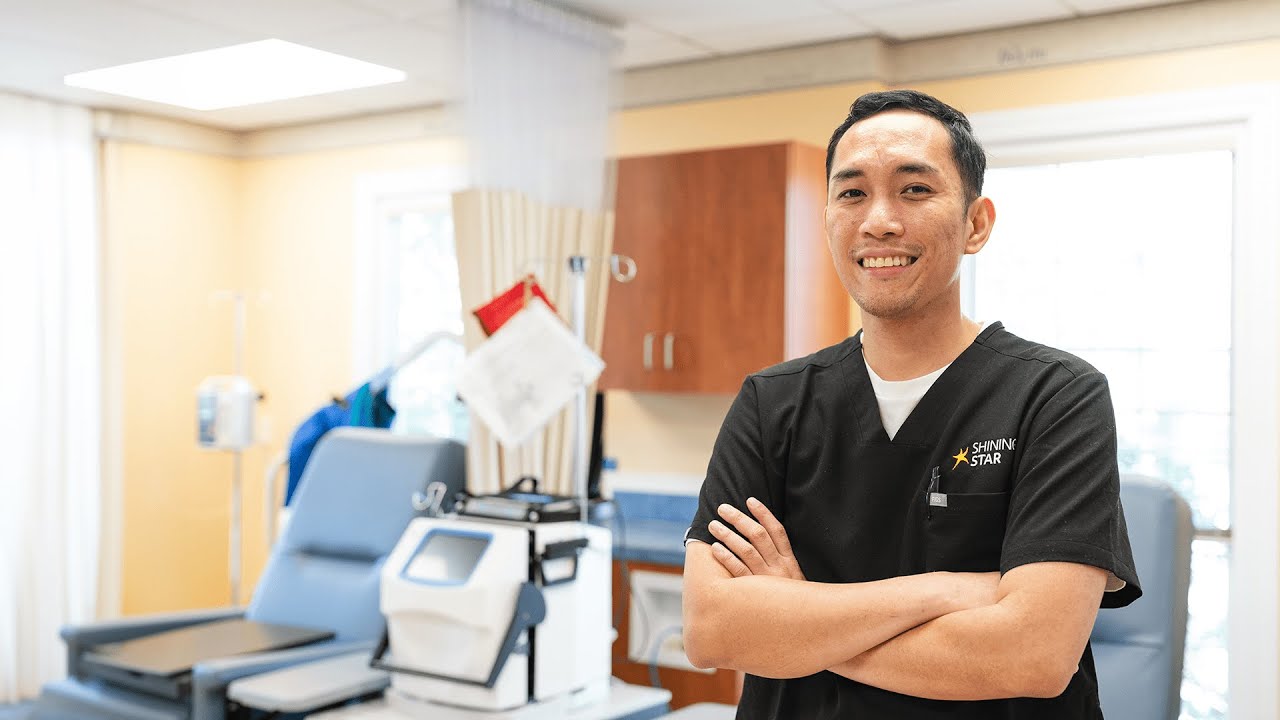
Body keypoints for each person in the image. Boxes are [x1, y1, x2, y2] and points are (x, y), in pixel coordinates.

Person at [681, 89, 1141, 719]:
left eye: (915, 190)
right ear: (829, 221)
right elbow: (713, 631)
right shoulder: (772, 403)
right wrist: (943, 592)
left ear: (975, 224)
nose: (879, 221)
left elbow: (1031, 655)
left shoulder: (1055, 396)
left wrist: (798, 618)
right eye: (851, 193)